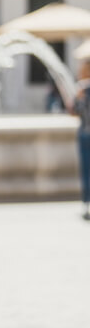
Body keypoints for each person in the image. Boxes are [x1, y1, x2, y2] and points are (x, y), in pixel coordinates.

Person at [71, 61, 90, 220]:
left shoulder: (83, 89)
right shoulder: (82, 89)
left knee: (86, 170)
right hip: (84, 134)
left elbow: (73, 111)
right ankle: (86, 203)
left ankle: (86, 203)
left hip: (85, 134)